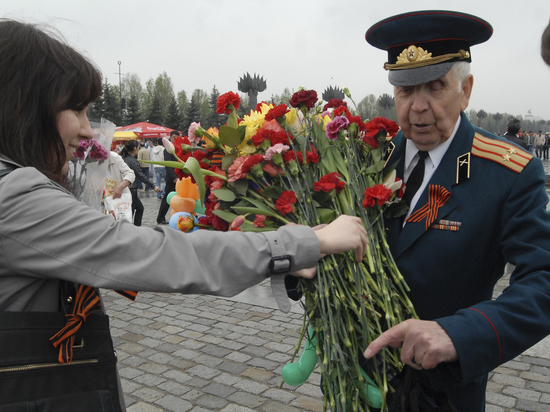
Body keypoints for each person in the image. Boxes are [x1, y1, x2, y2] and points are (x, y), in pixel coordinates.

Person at [0, 19, 369, 411]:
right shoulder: (14, 196)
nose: (89, 130)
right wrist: (304, 242)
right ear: (26, 108)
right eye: (76, 109)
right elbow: (152, 253)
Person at [364, 11, 550, 411]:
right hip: (356, 379)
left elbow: (543, 278)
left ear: (465, 90)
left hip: (442, 393)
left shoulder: (508, 173)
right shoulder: (366, 160)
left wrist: (458, 334)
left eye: (434, 87)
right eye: (406, 91)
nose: (418, 107)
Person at [120, 140, 161, 226]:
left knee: (139, 208)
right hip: (131, 189)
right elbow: (141, 176)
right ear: (135, 148)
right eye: (138, 147)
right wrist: (153, 186)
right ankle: (131, 229)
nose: (138, 149)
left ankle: (135, 228)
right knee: (130, 212)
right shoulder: (133, 161)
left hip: (124, 188)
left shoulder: (122, 158)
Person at [156, 130, 179, 224]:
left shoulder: (179, 148)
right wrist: (174, 177)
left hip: (180, 177)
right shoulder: (167, 149)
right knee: (167, 198)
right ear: (170, 137)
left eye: (177, 137)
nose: (175, 138)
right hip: (171, 178)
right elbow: (168, 165)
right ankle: (160, 217)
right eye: (174, 137)